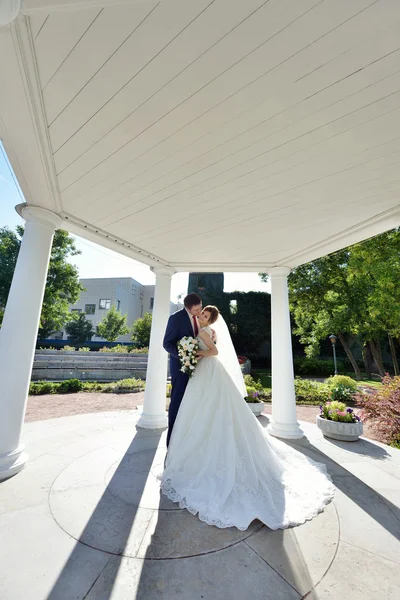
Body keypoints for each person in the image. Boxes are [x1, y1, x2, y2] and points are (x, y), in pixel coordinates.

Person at [160, 305, 335, 531]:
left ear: (210, 319)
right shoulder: (205, 330)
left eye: (205, 315)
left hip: (209, 370)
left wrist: (197, 353)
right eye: (201, 314)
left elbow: (214, 352)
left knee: (210, 408)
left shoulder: (204, 332)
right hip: (206, 373)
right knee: (206, 410)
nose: (202, 317)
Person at [163, 293, 202, 447]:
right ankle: (172, 443)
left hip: (199, 370)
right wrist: (186, 357)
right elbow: (167, 344)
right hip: (180, 370)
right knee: (177, 404)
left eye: (200, 308)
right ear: (188, 308)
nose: (199, 312)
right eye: (196, 310)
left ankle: (191, 442)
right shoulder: (175, 318)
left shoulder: (201, 316)